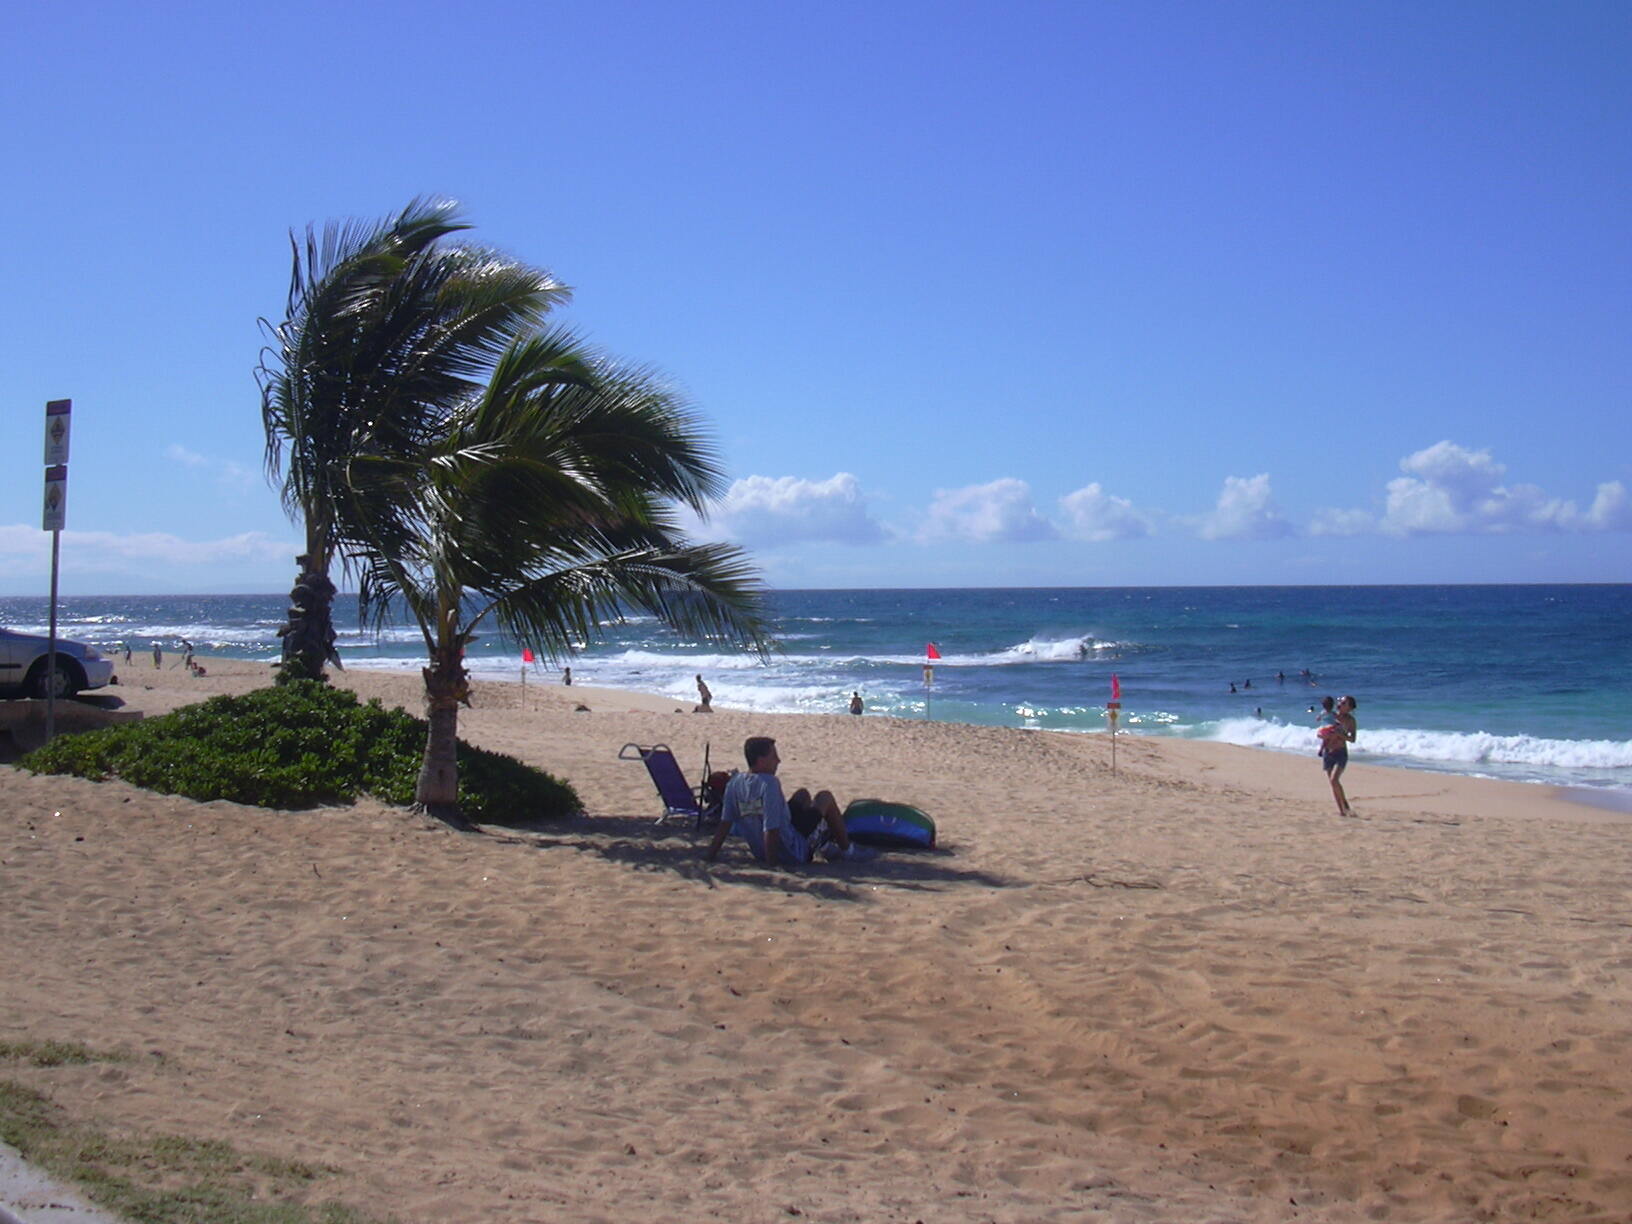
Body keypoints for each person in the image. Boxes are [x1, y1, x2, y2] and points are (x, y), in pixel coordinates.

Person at [703, 736, 860, 866]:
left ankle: (825, 839)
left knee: (802, 794)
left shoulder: (734, 784)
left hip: (767, 847)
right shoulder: (769, 783)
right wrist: (772, 865)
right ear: (761, 761)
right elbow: (771, 829)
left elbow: (725, 824)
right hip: (794, 852)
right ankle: (847, 851)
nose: (778, 761)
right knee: (825, 797)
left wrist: (710, 856)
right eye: (774, 757)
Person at [1318, 695, 1358, 817]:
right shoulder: (1331, 716)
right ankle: (1343, 807)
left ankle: (1343, 809)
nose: (1340, 704)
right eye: (1340, 702)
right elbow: (1322, 728)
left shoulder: (1351, 721)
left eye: (1344, 703)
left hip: (1341, 752)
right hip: (1328, 752)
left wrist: (1341, 735)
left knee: (1334, 780)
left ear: (1350, 708)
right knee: (1333, 783)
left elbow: (1352, 739)